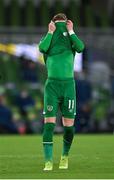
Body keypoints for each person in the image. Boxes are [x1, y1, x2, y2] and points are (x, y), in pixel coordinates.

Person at [38, 13, 84, 171]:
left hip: (68, 86)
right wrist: (50, 32)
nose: (60, 29)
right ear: (52, 24)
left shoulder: (70, 42)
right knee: (49, 125)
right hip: (51, 86)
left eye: (62, 25)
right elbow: (42, 48)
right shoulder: (48, 41)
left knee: (69, 126)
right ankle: (48, 161)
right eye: (57, 25)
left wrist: (71, 31)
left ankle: (65, 156)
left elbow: (81, 47)